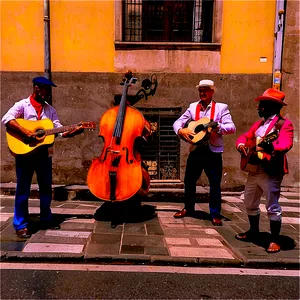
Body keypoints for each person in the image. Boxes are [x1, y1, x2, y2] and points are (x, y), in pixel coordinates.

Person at [1, 77, 84, 238]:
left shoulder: (50, 110)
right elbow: (7, 119)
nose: (48, 92)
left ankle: (46, 217)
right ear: (37, 88)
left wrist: (73, 131)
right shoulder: (22, 105)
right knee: (23, 189)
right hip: (25, 154)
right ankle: (21, 225)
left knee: (46, 188)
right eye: (46, 89)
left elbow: (59, 130)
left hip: (44, 155)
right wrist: (26, 132)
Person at [235, 88, 294, 253]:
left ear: (272, 106)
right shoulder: (258, 125)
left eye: (262, 105)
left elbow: (286, 143)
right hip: (254, 169)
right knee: (249, 201)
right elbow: (244, 137)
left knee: (271, 205)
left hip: (271, 170)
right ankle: (254, 231)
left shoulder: (284, 125)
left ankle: (274, 240)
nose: (258, 108)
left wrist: (272, 147)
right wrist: (241, 146)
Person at [173, 79, 236, 226]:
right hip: (196, 150)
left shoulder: (221, 108)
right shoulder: (193, 107)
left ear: (212, 92)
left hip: (213, 151)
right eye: (200, 90)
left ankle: (215, 213)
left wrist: (217, 127)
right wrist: (181, 130)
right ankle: (188, 208)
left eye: (206, 90)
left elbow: (231, 127)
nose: (202, 92)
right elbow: (178, 122)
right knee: (189, 180)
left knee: (214, 183)